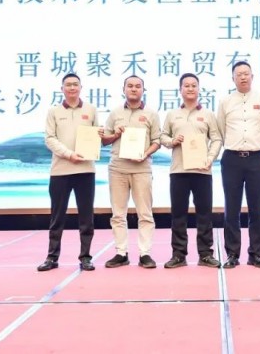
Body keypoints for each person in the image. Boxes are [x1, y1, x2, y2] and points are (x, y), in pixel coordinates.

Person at [37, 73, 101, 272]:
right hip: (60, 171)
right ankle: (52, 257)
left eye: (75, 84)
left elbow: (96, 136)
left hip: (86, 170)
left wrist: (99, 135)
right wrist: (69, 154)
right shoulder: (54, 112)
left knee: (86, 217)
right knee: (57, 217)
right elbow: (49, 139)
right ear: (62, 89)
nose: (72, 88)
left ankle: (86, 257)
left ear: (81, 87)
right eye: (68, 85)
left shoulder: (91, 110)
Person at [159, 73, 223, 268]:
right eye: (186, 85)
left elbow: (217, 139)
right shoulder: (172, 114)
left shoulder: (208, 114)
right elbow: (162, 137)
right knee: (178, 214)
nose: (190, 88)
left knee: (204, 213)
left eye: (194, 85)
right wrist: (172, 141)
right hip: (178, 171)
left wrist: (210, 158)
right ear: (180, 90)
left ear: (198, 89)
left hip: (202, 171)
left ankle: (206, 254)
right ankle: (179, 254)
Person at [101, 75, 161, 269]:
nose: (134, 89)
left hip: (142, 169)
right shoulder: (115, 113)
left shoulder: (151, 114)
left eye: (137, 86)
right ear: (124, 89)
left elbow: (157, 141)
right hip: (117, 168)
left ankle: (145, 253)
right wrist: (115, 134)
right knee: (118, 214)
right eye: (130, 86)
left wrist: (145, 154)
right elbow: (104, 140)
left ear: (143, 90)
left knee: (145, 213)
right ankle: (121, 253)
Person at [217, 61, 260, 268]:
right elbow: (220, 130)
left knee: (257, 209)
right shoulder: (225, 102)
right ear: (233, 78)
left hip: (257, 158)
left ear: (252, 76)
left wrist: (256, 147)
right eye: (239, 74)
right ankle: (232, 254)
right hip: (231, 158)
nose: (243, 77)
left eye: (246, 73)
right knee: (231, 209)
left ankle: (255, 254)